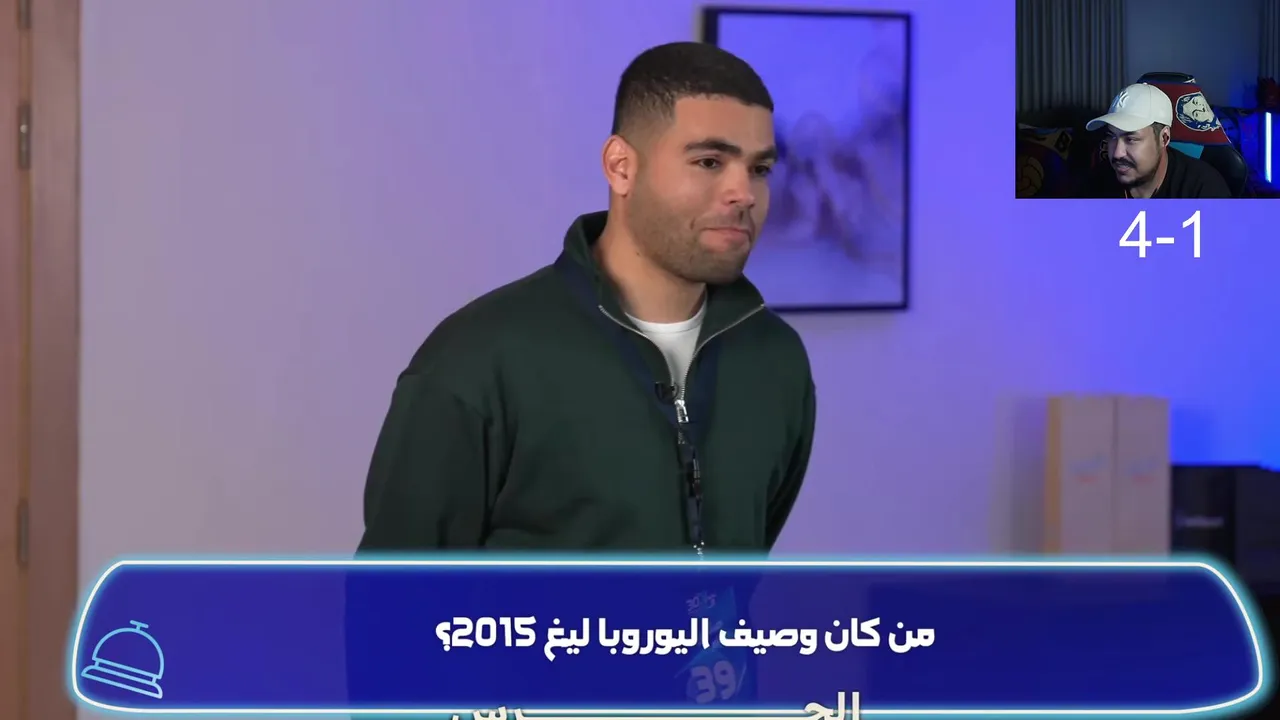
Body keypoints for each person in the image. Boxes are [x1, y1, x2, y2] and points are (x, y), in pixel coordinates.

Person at [356, 41, 816, 555]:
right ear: (621, 167)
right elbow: (395, 595)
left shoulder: (776, 361)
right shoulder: (478, 360)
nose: (744, 193)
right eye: (709, 161)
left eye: (760, 169)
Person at [1078, 83, 1232, 199]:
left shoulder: (1203, 190)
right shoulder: (1094, 186)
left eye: (1131, 139)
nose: (1117, 153)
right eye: (1112, 136)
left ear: (1164, 138)